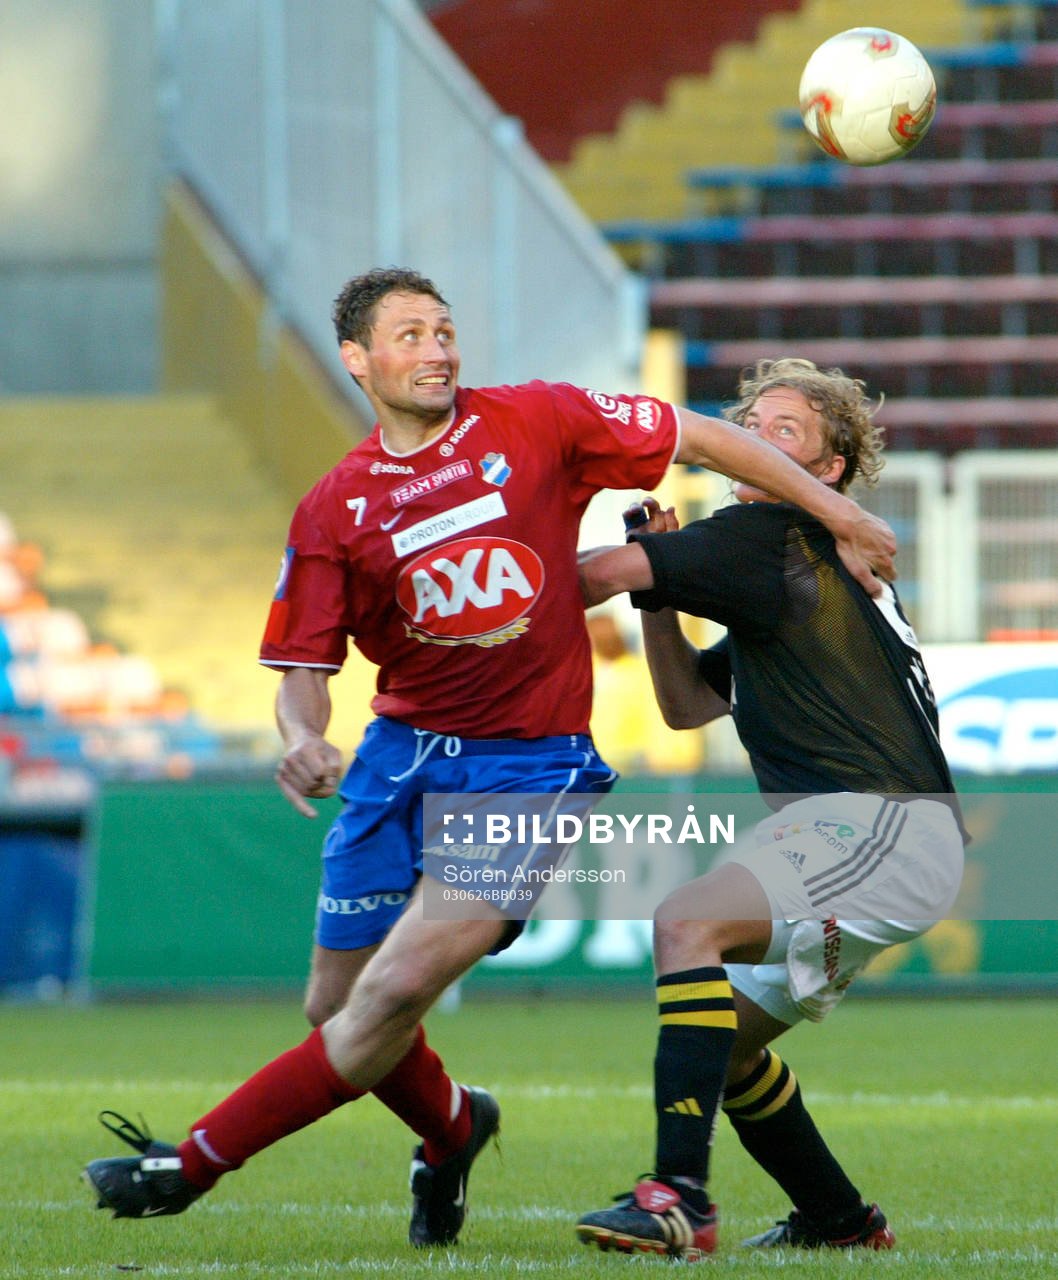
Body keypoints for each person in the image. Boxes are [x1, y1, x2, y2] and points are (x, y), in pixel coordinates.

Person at [82, 275, 896, 1250]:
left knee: (391, 993)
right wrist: (302, 737)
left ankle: (191, 1163)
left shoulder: (537, 419)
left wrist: (839, 515)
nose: (436, 349)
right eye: (410, 334)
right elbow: (304, 669)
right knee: (335, 1007)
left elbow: (694, 434)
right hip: (395, 761)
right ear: (357, 359)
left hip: (529, 766)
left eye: (445, 330)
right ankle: (455, 1126)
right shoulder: (333, 507)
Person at [574, 357, 965, 1260]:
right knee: (725, 1046)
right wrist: (660, 601)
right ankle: (840, 1221)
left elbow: (593, 574)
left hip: (877, 825)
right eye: (750, 425)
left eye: (785, 431)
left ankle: (678, 1198)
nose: (754, 439)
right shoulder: (789, 565)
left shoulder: (770, 537)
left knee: (685, 923)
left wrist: (464, 574)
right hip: (881, 835)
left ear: (827, 471)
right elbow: (685, 706)